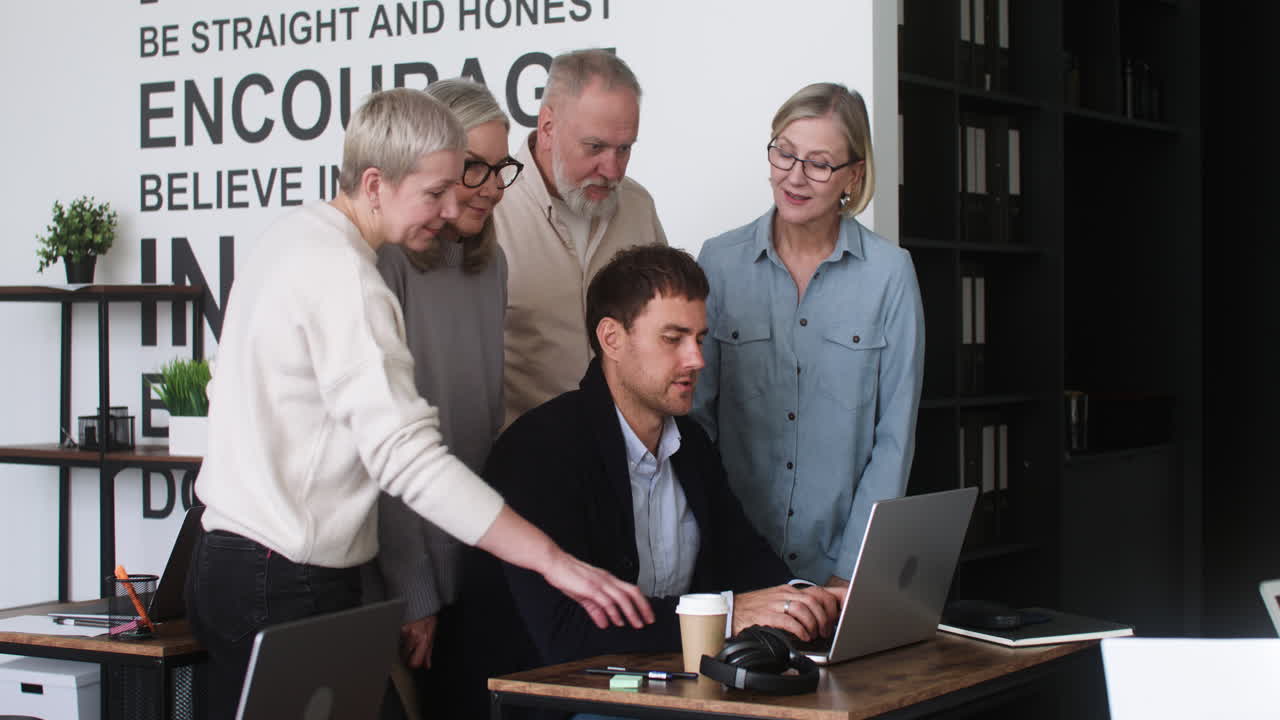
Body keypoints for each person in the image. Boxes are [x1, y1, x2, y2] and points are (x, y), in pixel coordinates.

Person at [186, 87, 652, 720]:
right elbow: (407, 460)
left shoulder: (291, 236)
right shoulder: (350, 279)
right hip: (282, 577)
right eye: (435, 193)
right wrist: (553, 561)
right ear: (374, 182)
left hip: (238, 565)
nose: (451, 207)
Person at [451, 246, 842, 718]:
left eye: (699, 338)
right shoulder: (541, 449)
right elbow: (567, 635)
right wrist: (729, 613)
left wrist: (811, 598)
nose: (697, 358)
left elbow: (746, 557)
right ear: (611, 339)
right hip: (552, 702)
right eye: (673, 338)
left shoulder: (691, 443)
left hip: (665, 694)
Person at [693, 83, 925, 588]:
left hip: (837, 570)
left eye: (819, 163)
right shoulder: (718, 262)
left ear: (853, 174)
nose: (794, 177)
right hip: (731, 562)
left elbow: (894, 438)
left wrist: (853, 572)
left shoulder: (890, 274)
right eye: (784, 153)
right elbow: (696, 422)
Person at [364, 78, 523, 717]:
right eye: (472, 169)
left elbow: (479, 425)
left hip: (474, 553)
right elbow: (390, 451)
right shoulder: (388, 264)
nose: (489, 186)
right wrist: (416, 593)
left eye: (498, 168)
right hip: (410, 567)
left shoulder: (492, 266)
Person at [493, 48, 667, 427]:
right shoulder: (489, 208)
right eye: (595, 147)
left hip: (624, 464)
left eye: (625, 149)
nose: (611, 169)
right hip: (522, 463)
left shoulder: (639, 207)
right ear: (548, 127)